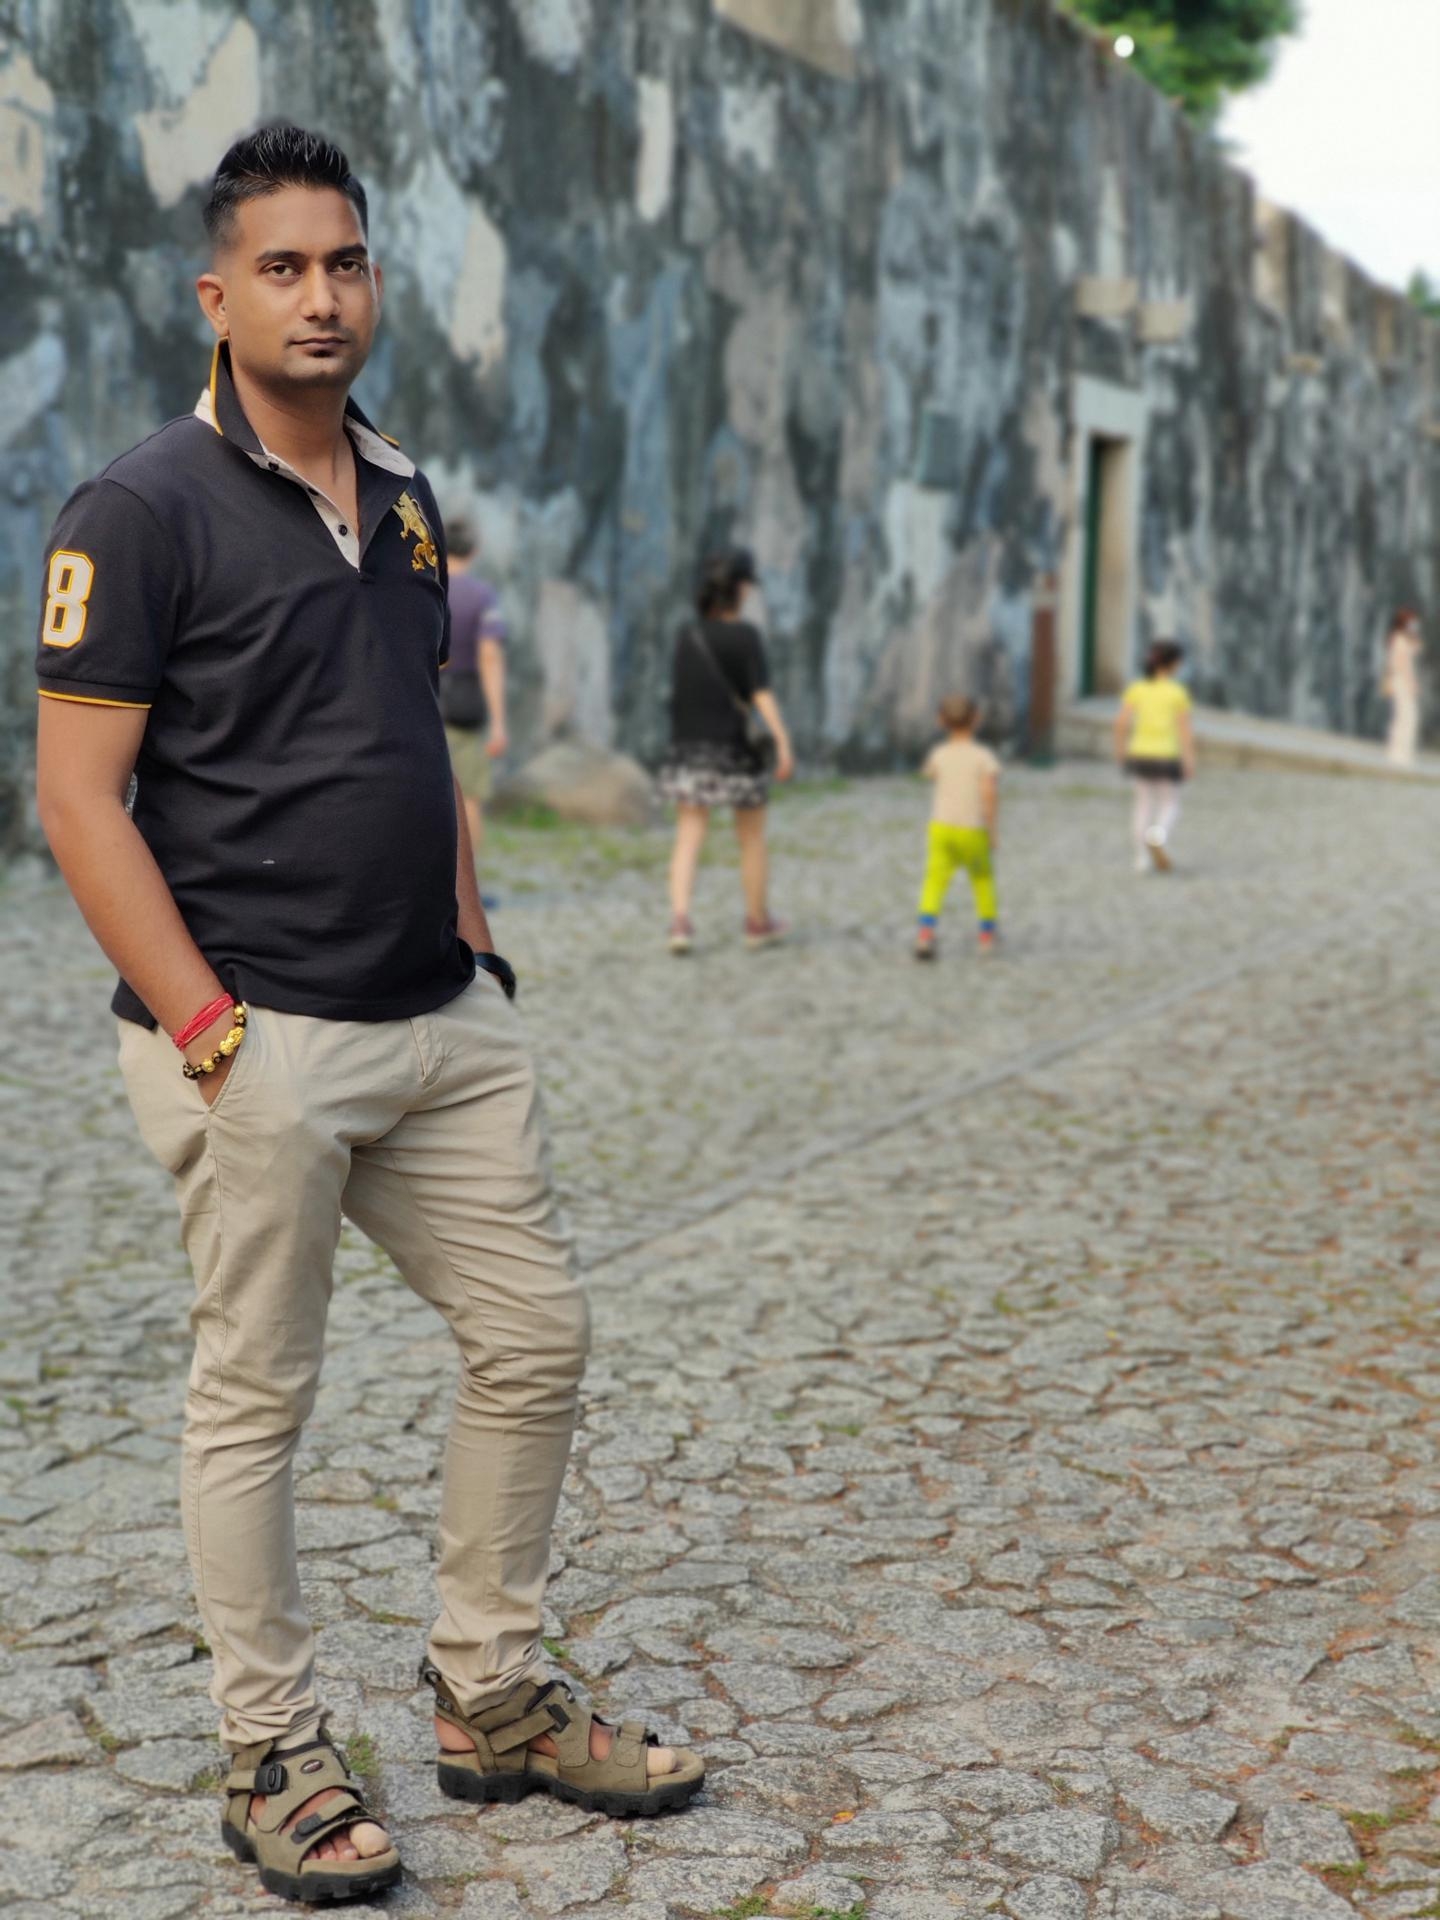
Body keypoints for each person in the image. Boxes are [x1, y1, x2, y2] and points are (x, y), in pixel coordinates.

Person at [33, 125, 701, 1907]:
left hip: (438, 1025)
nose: (318, 297)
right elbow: (79, 801)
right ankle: (271, 1748)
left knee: (536, 1334)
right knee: (258, 1395)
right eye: (281, 268)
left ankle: (491, 1692)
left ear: (374, 282)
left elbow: (419, 734)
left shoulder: (402, 494)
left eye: (343, 264)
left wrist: (477, 949)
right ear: (217, 295)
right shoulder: (138, 510)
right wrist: (208, 1034)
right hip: (260, 1032)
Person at [658, 547, 794, 953]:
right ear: (740, 588)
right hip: (736, 750)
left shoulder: (687, 634)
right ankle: (757, 922)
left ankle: (680, 922)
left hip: (689, 749)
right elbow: (760, 694)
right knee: (751, 837)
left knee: (688, 835)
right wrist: (782, 740)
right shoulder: (746, 636)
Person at [914, 696, 1000, 959]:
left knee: (934, 881)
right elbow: (989, 793)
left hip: (941, 828)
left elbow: (928, 773)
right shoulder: (983, 756)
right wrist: (992, 830)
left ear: (941, 721)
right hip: (972, 829)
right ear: (976, 720)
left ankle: (925, 934)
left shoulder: (939, 754)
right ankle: (986, 936)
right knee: (982, 880)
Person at [441, 517, 509, 852]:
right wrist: (498, 723)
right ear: (475, 551)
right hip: (464, 705)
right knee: (468, 796)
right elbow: (490, 657)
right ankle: (466, 880)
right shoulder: (482, 597)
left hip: (422, 699)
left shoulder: (428, 586)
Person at [1113, 639, 1196, 872]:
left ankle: (1141, 858)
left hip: (1140, 753)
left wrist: (1121, 751)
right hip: (1166, 755)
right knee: (1170, 803)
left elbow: (1120, 723)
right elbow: (1184, 731)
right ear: (1173, 664)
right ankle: (1157, 836)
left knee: (1142, 805)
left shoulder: (1137, 689)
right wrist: (1189, 759)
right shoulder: (1177, 692)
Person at [1383, 607, 1423, 767]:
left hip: (1400, 680)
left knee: (1405, 716)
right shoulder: (1399, 639)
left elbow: (1417, 647)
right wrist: (1411, 682)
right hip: (1402, 681)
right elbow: (1401, 664)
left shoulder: (1401, 638)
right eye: (1412, 622)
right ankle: (1398, 753)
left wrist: (1413, 635)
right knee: (1407, 716)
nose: (1415, 624)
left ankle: (1400, 752)